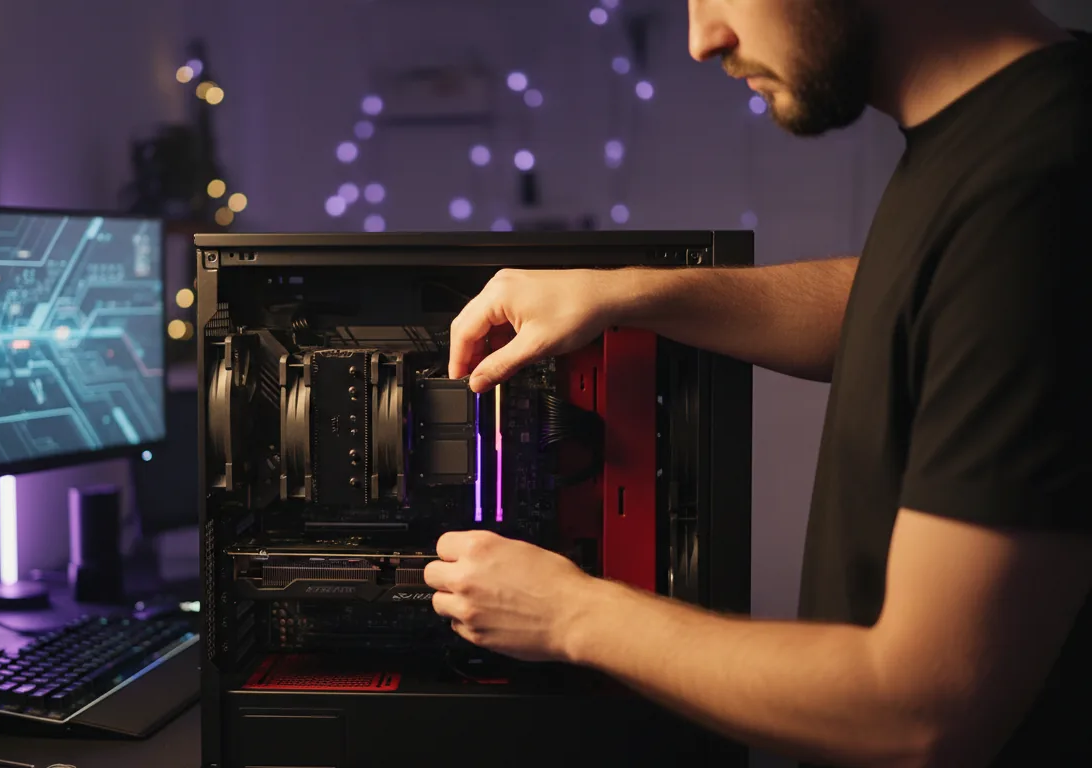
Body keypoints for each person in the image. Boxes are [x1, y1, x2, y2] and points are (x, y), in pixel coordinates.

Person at [422, 1, 1092, 766]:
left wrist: (570, 616)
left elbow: (919, 711)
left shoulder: (1039, 193)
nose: (704, 39)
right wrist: (626, 294)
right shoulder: (1009, 133)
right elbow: (919, 302)